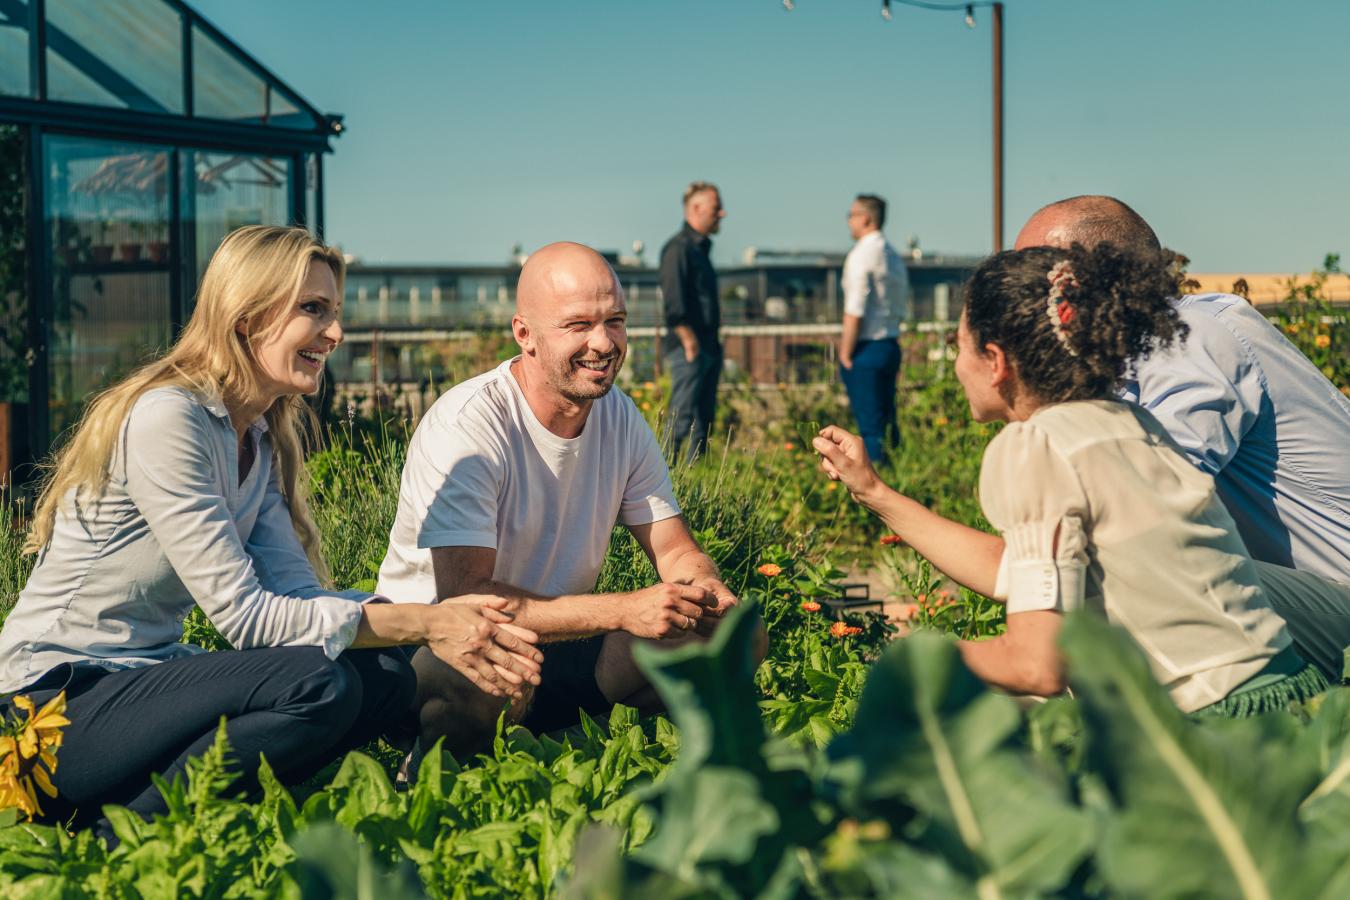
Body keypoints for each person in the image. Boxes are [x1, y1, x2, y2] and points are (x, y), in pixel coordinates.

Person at [0, 226, 542, 832]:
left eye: (334, 313)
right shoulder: (169, 419)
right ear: (245, 317)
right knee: (318, 681)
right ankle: (112, 837)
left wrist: (443, 630)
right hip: (44, 713)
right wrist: (425, 622)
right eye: (312, 310)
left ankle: (184, 810)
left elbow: (296, 602)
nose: (334, 333)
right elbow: (246, 620)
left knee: (380, 674)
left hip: (138, 687)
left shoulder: (254, 439)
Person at [813, 242, 1336, 715]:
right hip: (1286, 694)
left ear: (995, 362)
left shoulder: (1032, 447)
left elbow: (1035, 666)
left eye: (959, 347)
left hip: (1210, 722)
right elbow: (1012, 571)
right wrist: (874, 493)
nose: (956, 366)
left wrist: (909, 658)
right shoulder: (1129, 424)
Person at [377, 242, 757, 756]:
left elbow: (673, 550)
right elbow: (465, 597)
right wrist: (624, 610)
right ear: (524, 334)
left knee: (738, 637)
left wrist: (706, 590)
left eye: (615, 321)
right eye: (578, 326)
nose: (603, 343)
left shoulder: (619, 416)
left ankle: (569, 742)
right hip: (443, 646)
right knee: (485, 666)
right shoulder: (469, 425)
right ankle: (434, 760)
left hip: (562, 640)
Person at [1015, 195, 1350, 676]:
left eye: (1031, 274)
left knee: (1126, 570)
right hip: (1317, 598)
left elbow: (1138, 507)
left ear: (1087, 280)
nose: (1017, 295)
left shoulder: (1192, 336)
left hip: (1340, 595)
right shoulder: (1126, 362)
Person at [839, 193, 909, 461]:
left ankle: (873, 487)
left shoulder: (861, 256)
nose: (848, 220)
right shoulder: (892, 255)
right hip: (890, 343)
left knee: (869, 427)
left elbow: (855, 308)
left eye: (851, 215)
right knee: (887, 419)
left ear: (865, 218)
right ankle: (898, 477)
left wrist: (845, 352)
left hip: (866, 347)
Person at [660, 181, 725, 462]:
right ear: (696, 209)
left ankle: (696, 476)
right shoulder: (678, 249)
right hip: (690, 346)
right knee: (681, 415)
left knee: (704, 419)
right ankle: (663, 479)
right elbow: (674, 301)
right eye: (716, 207)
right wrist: (688, 341)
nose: (722, 213)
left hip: (707, 344)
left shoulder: (701, 249)